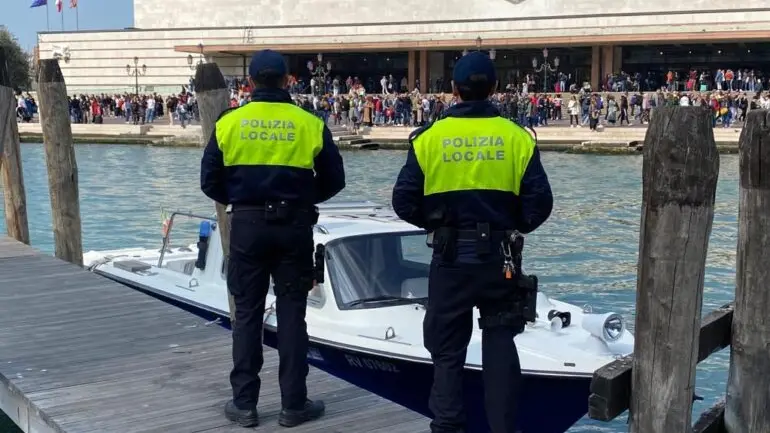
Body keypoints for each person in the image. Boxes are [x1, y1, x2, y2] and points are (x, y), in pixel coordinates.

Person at [391, 51, 553, 433]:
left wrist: (437, 224)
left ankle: (448, 426)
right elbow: (540, 203)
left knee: (446, 351)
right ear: (494, 89)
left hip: (450, 259)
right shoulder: (517, 138)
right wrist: (513, 228)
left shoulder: (429, 139)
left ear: (453, 90)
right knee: (499, 342)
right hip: (500, 259)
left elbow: (403, 201)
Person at [200, 49, 346, 428]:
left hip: (247, 227)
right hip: (293, 227)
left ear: (249, 83)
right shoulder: (308, 123)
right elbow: (335, 179)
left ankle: (245, 404)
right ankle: (293, 404)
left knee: (246, 315)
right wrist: (301, 199)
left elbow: (209, 181)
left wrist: (242, 199)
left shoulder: (230, 122)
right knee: (293, 315)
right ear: (286, 81)